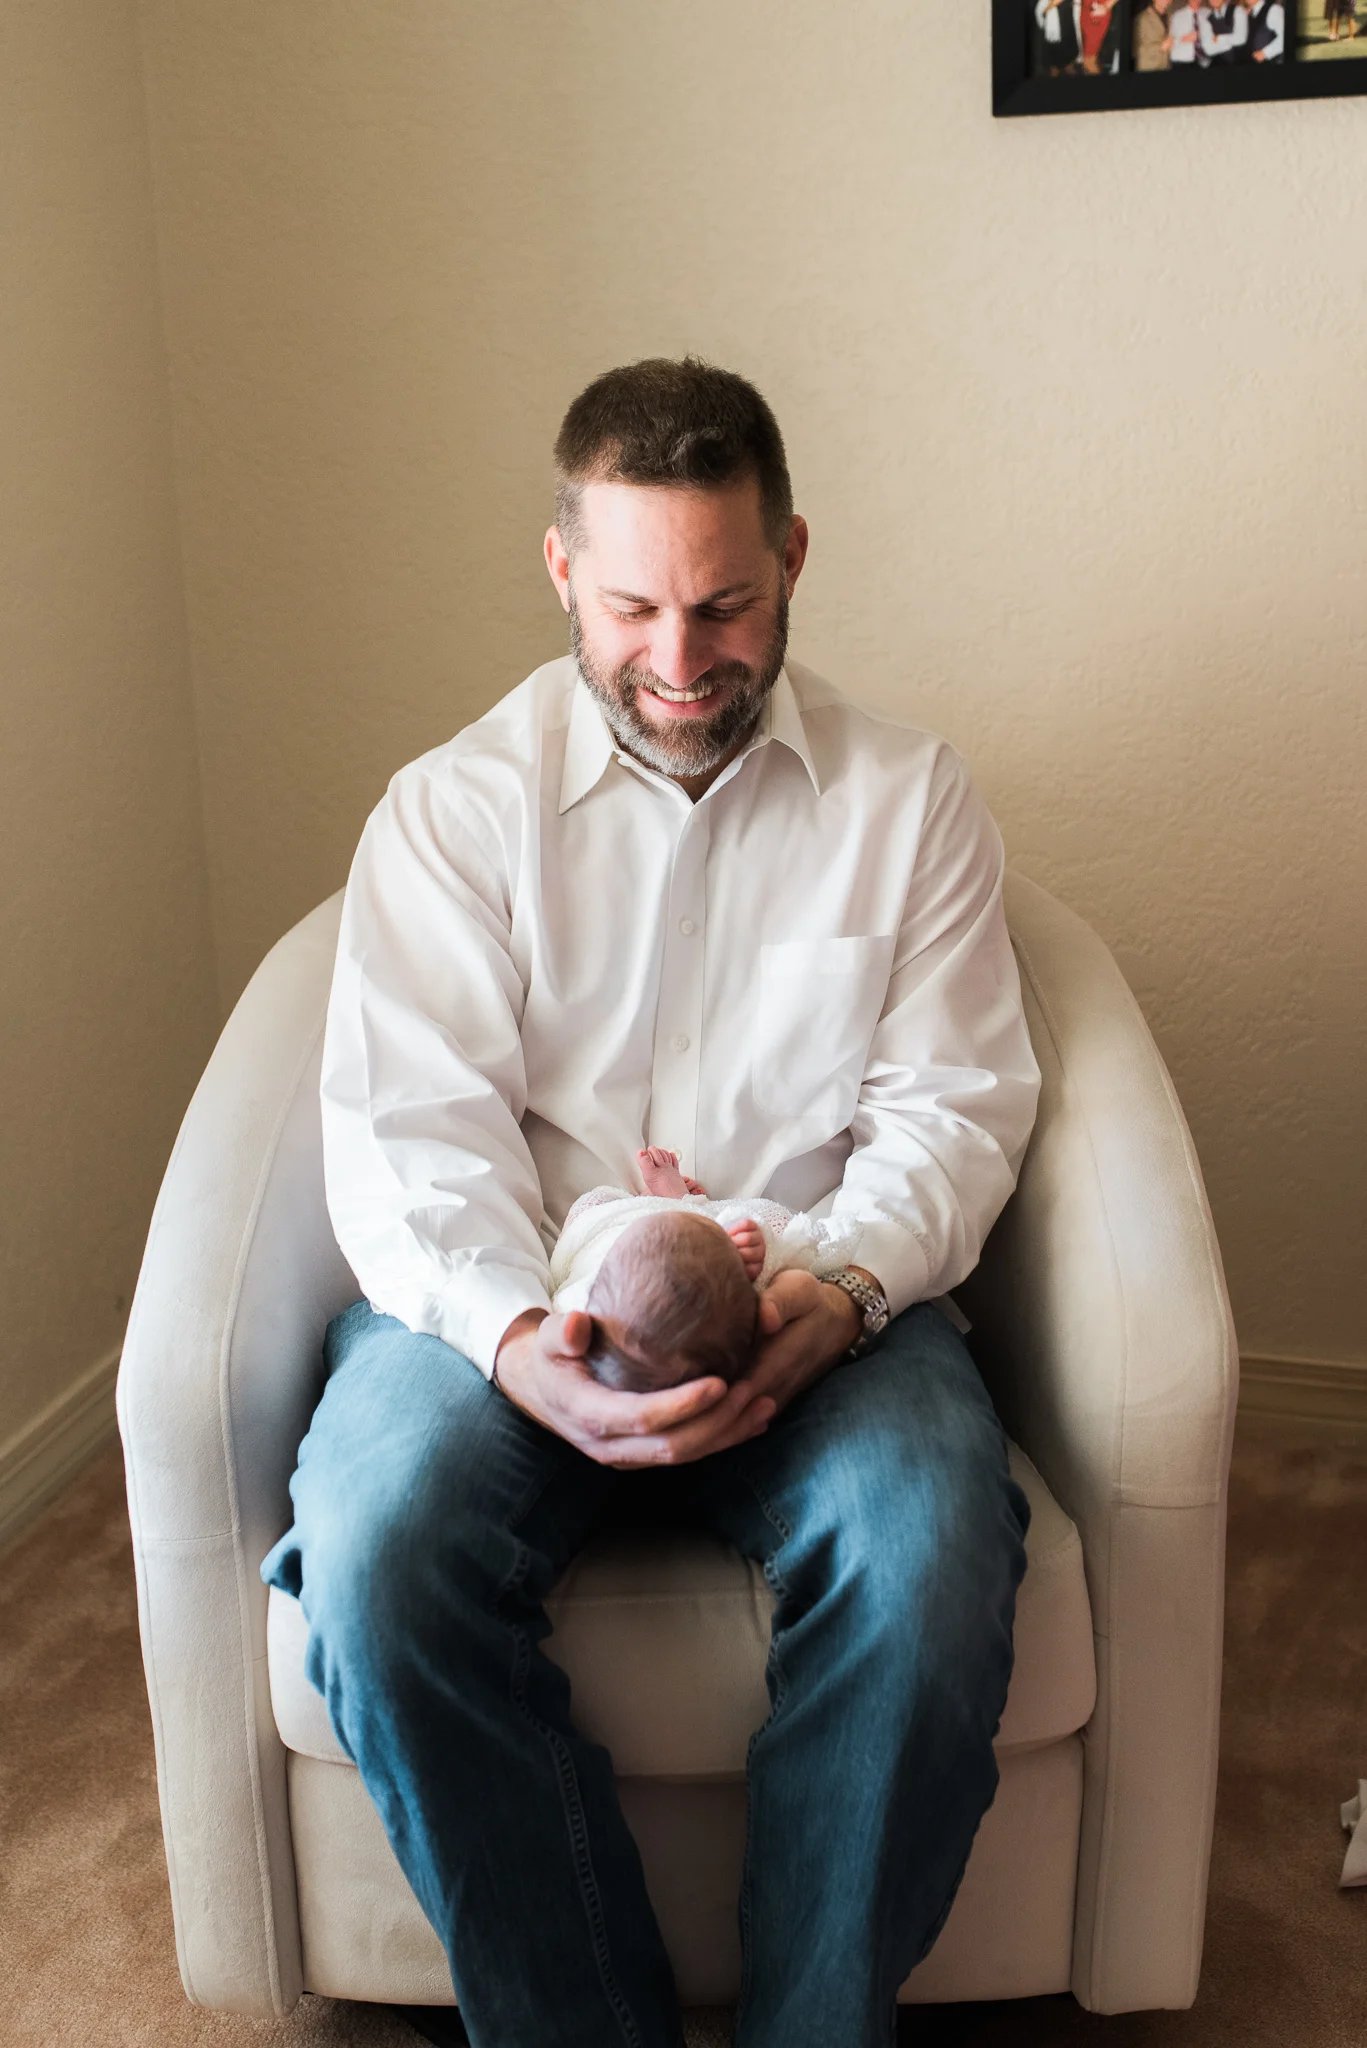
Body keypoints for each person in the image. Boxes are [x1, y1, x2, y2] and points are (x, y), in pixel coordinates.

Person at [261, 356, 1040, 2048]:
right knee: (377, 1548)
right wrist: (514, 1340)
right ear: (561, 571)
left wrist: (840, 1291)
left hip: (821, 1296)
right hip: (512, 1306)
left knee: (925, 1555)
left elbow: (955, 1108)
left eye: (724, 603)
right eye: (630, 607)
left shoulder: (908, 802)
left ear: (792, 556)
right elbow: (410, 1141)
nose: (679, 660)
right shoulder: (450, 815)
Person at [559, 1146, 865, 1394]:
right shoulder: (735, 1318)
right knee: (741, 1242)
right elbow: (801, 1248)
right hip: (713, 1242)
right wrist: (763, 1250)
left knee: (594, 1211)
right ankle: (686, 1205)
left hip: (612, 1235)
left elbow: (569, 1261)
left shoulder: (581, 1308)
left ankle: (671, 1204)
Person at [1133, 0, 1175, 68]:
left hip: (1165, 66)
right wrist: (1161, 46)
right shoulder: (1142, 18)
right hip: (1149, 67)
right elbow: (1137, 49)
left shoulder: (1169, 17)